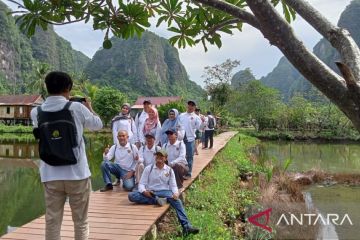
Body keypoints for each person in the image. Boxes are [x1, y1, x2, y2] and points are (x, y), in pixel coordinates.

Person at [30, 71, 103, 240]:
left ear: (47, 87)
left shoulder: (37, 112)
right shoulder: (76, 108)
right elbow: (97, 125)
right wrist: (89, 107)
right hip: (77, 174)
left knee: (52, 221)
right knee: (81, 221)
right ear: (68, 88)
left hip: (50, 174)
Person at [128, 150, 200, 236]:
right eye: (157, 156)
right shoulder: (149, 168)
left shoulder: (169, 170)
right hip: (151, 193)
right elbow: (141, 184)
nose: (159, 158)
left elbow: (173, 185)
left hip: (165, 192)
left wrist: (176, 194)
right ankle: (159, 200)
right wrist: (144, 191)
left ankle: (186, 226)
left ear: (165, 158)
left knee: (177, 201)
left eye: (161, 157)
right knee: (131, 196)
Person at [178, 100, 201, 179]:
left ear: (194, 107)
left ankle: (188, 173)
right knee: (181, 156)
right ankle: (180, 172)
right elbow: (178, 125)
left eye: (192, 105)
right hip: (181, 139)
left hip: (190, 139)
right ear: (187, 105)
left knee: (189, 156)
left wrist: (202, 122)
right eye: (189, 105)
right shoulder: (181, 115)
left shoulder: (196, 117)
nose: (190, 107)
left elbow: (198, 127)